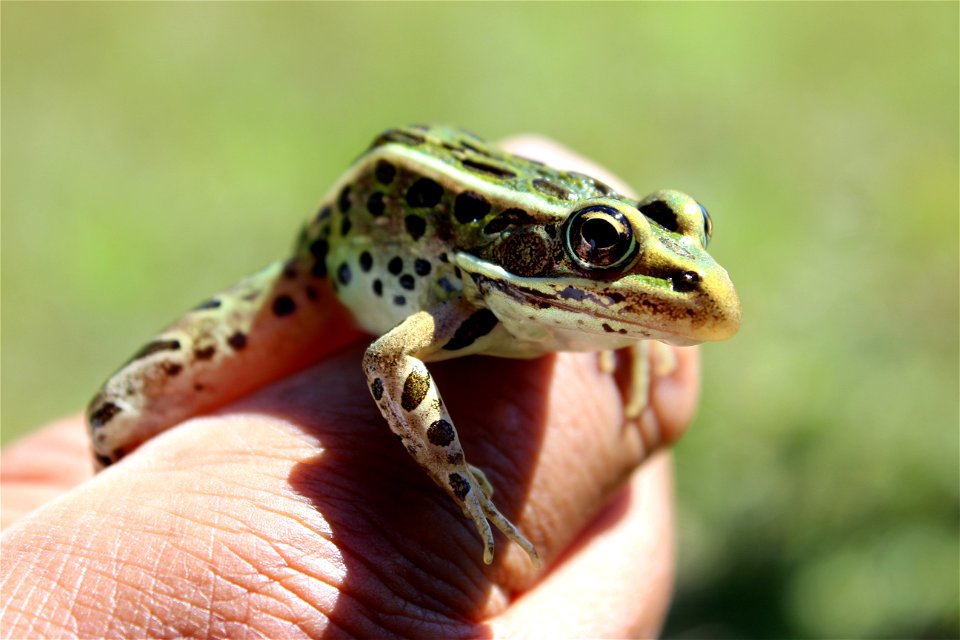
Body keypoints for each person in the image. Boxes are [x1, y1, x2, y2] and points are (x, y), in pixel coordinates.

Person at [0, 137, 702, 638]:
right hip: (329, 266)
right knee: (122, 411)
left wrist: (632, 322)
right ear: (532, 248)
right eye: (604, 246)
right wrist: (460, 478)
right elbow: (390, 359)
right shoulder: (465, 293)